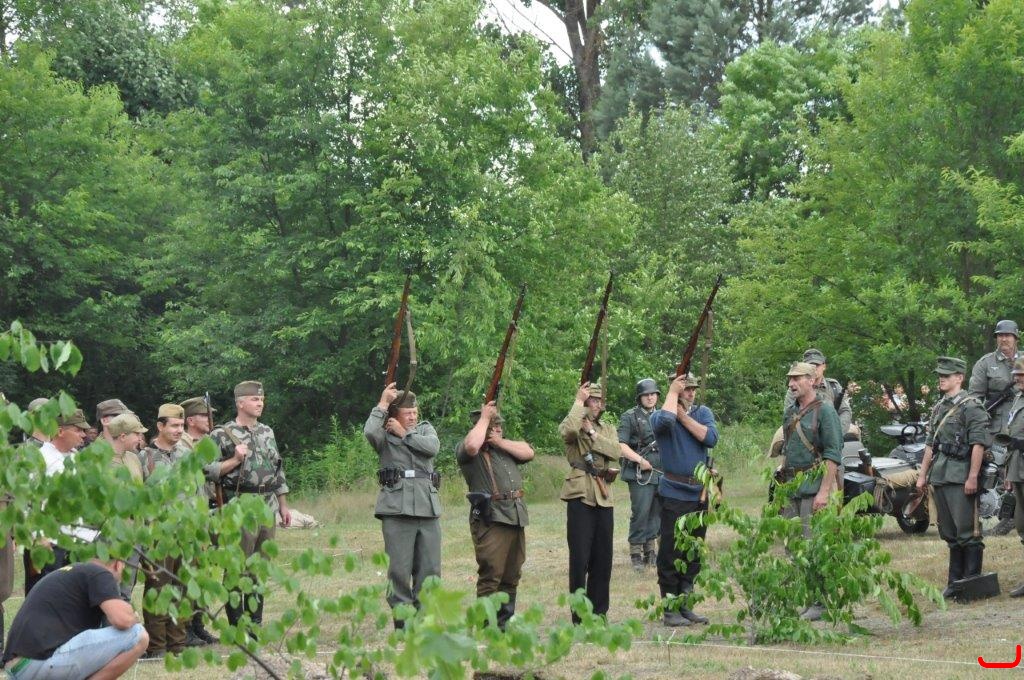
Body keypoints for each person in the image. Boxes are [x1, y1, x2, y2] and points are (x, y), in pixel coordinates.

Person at [210, 381, 291, 629]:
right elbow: (207, 470)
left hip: (267, 506)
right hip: (239, 506)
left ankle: (255, 622)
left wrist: (283, 504)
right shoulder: (221, 434)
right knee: (237, 567)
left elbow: (277, 469)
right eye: (255, 399)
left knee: (259, 567)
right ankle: (237, 626)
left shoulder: (267, 432)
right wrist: (235, 459)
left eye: (262, 399)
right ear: (240, 403)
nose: (260, 403)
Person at [363, 383, 441, 628]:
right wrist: (382, 403)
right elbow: (369, 432)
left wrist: (405, 434)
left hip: (427, 508)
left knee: (430, 570)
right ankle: (404, 626)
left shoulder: (425, 430)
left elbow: (432, 448)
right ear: (395, 415)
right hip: (396, 509)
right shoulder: (383, 435)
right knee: (398, 570)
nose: (413, 416)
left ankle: (425, 624)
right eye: (408, 413)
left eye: (415, 412)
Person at [1, 556, 148, 680]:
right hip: (39, 662)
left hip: (17, 667)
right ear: (118, 564)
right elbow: (122, 620)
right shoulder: (100, 573)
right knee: (138, 635)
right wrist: (133, 616)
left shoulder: (73, 573)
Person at [915, 356, 988, 600]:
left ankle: (971, 584)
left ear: (960, 377)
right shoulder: (940, 407)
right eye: (940, 375)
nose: (941, 379)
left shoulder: (972, 406)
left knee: (967, 531)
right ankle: (955, 582)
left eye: (946, 375)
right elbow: (930, 444)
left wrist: (973, 477)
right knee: (949, 531)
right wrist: (922, 475)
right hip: (941, 474)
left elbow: (978, 444)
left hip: (961, 475)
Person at [457, 401, 534, 629]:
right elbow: (472, 445)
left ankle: (503, 625)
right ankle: (485, 627)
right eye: (493, 427)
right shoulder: (469, 449)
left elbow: (528, 451)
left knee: (511, 575)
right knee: (491, 574)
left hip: (515, 514)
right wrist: (484, 419)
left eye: (499, 426)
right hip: (491, 517)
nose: (497, 430)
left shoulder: (504, 447)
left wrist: (499, 441)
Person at [650, 374, 718, 627]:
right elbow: (666, 421)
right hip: (673, 493)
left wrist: (683, 416)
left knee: (694, 551)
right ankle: (670, 609)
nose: (691, 393)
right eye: (685, 389)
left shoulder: (702, 413)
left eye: (692, 389)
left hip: (699, 493)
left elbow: (710, 438)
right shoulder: (659, 416)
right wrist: (671, 396)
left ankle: (686, 604)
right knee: (670, 552)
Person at [779, 361, 843, 621]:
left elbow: (833, 455)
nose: (792, 384)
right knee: (793, 547)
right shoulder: (790, 413)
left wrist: (824, 492)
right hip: (791, 487)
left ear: (812, 380)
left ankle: (821, 601)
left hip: (813, 487)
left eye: (797, 379)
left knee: (813, 545)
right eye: (790, 379)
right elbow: (787, 450)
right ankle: (805, 597)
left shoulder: (825, 411)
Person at [559, 382, 619, 623]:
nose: (597, 405)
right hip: (580, 493)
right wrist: (577, 402)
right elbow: (567, 433)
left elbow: (615, 451)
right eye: (593, 400)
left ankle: (599, 613)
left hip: (603, 496)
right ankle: (579, 616)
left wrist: (593, 432)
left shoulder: (607, 428)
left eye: (600, 401)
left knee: (603, 559)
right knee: (580, 559)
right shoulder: (573, 422)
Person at [138, 404, 191, 658]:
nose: (179, 430)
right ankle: (157, 646)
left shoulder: (187, 455)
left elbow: (197, 491)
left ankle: (178, 643)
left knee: (182, 587)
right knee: (158, 587)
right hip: (157, 533)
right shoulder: (144, 457)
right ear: (160, 426)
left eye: (182, 425)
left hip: (185, 531)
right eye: (174, 425)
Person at [24, 410, 91, 595]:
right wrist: (38, 535)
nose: (83, 435)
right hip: (49, 542)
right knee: (45, 596)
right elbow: (28, 501)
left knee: (71, 597)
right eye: (78, 430)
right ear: (60, 431)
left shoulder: (77, 459)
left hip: (75, 539)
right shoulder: (40, 459)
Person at [176, 396, 222, 646]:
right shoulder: (182, 444)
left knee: (203, 572)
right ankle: (184, 628)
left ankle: (198, 624)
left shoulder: (207, 443)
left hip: (205, 513)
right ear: (191, 420)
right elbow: (209, 471)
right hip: (187, 516)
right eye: (205, 416)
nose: (209, 420)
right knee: (187, 573)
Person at [969, 319, 1021, 536]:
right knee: (995, 472)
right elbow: (974, 399)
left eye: (1007, 335)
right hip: (996, 430)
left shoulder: (1023, 360)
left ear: (1016, 337)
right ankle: (1001, 517)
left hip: (1021, 426)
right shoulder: (985, 363)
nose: (1003, 339)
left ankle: (1014, 516)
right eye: (1000, 335)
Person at [617, 379, 661, 571]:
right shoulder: (629, 416)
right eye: (646, 395)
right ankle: (636, 552)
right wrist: (640, 460)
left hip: (660, 471)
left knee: (656, 514)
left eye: (653, 394)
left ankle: (650, 551)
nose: (650, 398)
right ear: (639, 397)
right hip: (639, 473)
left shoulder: (662, 416)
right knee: (641, 512)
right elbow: (621, 445)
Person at [784, 349, 854, 436]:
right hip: (804, 433)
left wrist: (835, 431)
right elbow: (789, 415)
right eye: (810, 365)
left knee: (855, 433)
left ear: (824, 366)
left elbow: (845, 411)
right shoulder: (796, 388)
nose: (814, 368)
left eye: (817, 365)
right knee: (778, 440)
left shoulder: (834, 386)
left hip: (833, 430)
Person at [1001, 360, 1024, 597]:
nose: (1017, 378)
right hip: (1018, 468)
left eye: (1022, 375)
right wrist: (1008, 472)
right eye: (1017, 374)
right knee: (1022, 524)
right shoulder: (1018, 399)